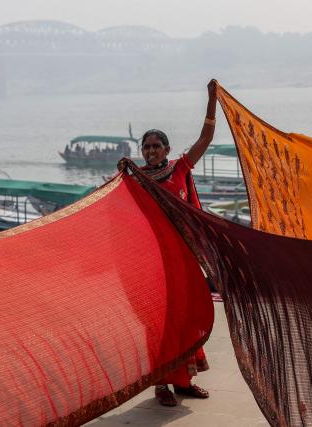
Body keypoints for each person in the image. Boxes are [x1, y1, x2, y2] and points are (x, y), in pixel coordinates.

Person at [117, 79, 218, 406]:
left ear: (167, 150)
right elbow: (111, 208)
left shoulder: (180, 169)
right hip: (153, 262)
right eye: (146, 147)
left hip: (184, 259)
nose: (150, 151)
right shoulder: (136, 179)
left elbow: (206, 138)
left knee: (187, 316)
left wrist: (212, 100)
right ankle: (162, 385)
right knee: (159, 320)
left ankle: (184, 381)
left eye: (156, 146)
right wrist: (121, 175)